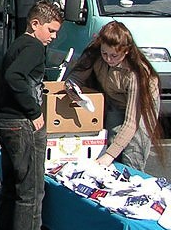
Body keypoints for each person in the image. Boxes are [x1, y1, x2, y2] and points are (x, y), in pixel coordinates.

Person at [0, 0, 63, 230]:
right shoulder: (33, 47)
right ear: (35, 24)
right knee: (31, 190)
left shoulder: (19, 44)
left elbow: (10, 75)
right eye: (51, 31)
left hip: (5, 120)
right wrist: (34, 111)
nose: (53, 37)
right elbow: (15, 76)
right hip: (20, 123)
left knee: (12, 185)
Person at [67, 20, 162, 171]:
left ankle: (132, 179)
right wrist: (72, 87)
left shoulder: (136, 73)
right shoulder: (94, 55)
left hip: (142, 105)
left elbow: (132, 122)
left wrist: (108, 157)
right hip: (114, 100)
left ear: (126, 51)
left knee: (134, 150)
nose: (109, 59)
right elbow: (76, 76)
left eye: (114, 55)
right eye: (104, 53)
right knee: (112, 138)